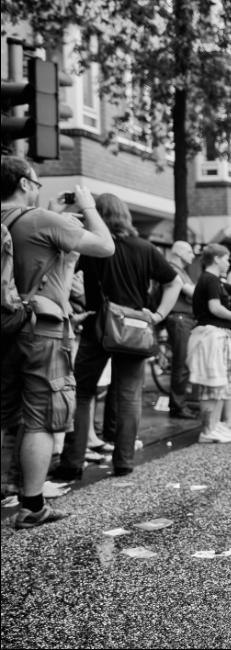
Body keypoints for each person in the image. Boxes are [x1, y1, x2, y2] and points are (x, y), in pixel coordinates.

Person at [1, 157, 115, 528]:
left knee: (9, 415)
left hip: (5, 328)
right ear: (23, 183)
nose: (38, 188)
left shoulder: (18, 220)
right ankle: (33, 506)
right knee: (41, 418)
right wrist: (88, 207)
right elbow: (105, 245)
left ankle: (9, 486)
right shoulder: (40, 220)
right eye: (36, 182)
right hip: (40, 329)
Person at [52, 194, 181, 480]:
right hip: (135, 330)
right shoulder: (145, 248)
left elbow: (62, 275)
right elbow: (175, 282)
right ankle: (123, 462)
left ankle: (72, 462)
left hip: (98, 327)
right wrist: (158, 315)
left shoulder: (92, 246)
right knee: (129, 397)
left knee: (81, 392)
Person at [187, 244, 231, 444]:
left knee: (219, 383)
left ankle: (214, 425)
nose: (229, 263)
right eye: (226, 258)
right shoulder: (209, 279)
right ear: (217, 258)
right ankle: (208, 429)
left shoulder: (214, 280)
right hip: (211, 336)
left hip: (216, 335)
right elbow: (214, 307)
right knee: (211, 383)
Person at [161, 240, 199, 419]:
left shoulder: (181, 271)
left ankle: (179, 404)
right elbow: (193, 293)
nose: (193, 255)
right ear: (178, 253)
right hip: (179, 319)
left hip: (183, 319)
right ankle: (178, 406)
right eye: (189, 252)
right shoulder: (172, 269)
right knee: (181, 363)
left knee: (183, 363)